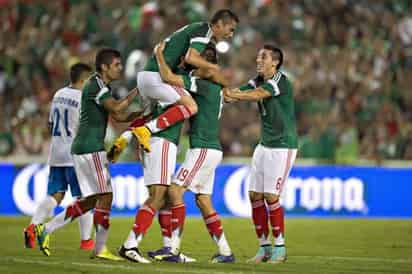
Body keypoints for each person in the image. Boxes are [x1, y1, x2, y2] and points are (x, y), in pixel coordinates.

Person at [117, 42, 221, 264]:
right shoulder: (173, 82)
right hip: (161, 141)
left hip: (152, 142)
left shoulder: (159, 84)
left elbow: (145, 112)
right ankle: (130, 244)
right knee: (157, 197)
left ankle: (168, 249)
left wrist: (128, 136)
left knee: (161, 198)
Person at [35, 48, 140, 260]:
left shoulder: (99, 85)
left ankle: (46, 229)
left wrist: (142, 115)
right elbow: (118, 108)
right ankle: (100, 248)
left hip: (83, 148)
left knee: (92, 200)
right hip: (90, 149)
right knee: (106, 196)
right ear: (104, 67)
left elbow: (119, 117)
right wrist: (139, 90)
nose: (120, 68)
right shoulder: (97, 86)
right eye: (117, 64)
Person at [148, 41, 235, 263]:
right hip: (210, 148)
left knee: (174, 191)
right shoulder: (216, 87)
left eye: (197, 64)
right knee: (203, 201)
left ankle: (173, 249)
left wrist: (159, 55)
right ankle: (225, 251)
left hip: (203, 148)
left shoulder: (202, 84)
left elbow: (168, 78)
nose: (193, 68)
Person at [113, 9, 238, 154]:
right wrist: (213, 66)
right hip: (157, 76)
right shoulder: (204, 31)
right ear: (220, 24)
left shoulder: (195, 30)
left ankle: (124, 138)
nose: (231, 35)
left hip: (146, 76)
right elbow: (191, 58)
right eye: (230, 29)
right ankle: (147, 130)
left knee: (147, 115)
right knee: (191, 106)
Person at [224, 45, 298, 264]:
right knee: (255, 195)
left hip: (282, 146)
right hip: (264, 145)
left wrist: (234, 96)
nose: (258, 59)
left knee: (271, 197)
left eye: (263, 57)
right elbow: (244, 89)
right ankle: (264, 248)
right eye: (258, 56)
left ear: (275, 62)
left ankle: (280, 248)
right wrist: (230, 93)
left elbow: (257, 94)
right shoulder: (258, 79)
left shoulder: (279, 81)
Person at [24, 63, 94, 251]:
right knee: (85, 198)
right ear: (83, 79)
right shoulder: (83, 98)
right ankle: (86, 241)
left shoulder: (58, 94)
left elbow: (50, 124)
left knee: (55, 195)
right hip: (74, 154)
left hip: (56, 152)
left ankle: (32, 227)